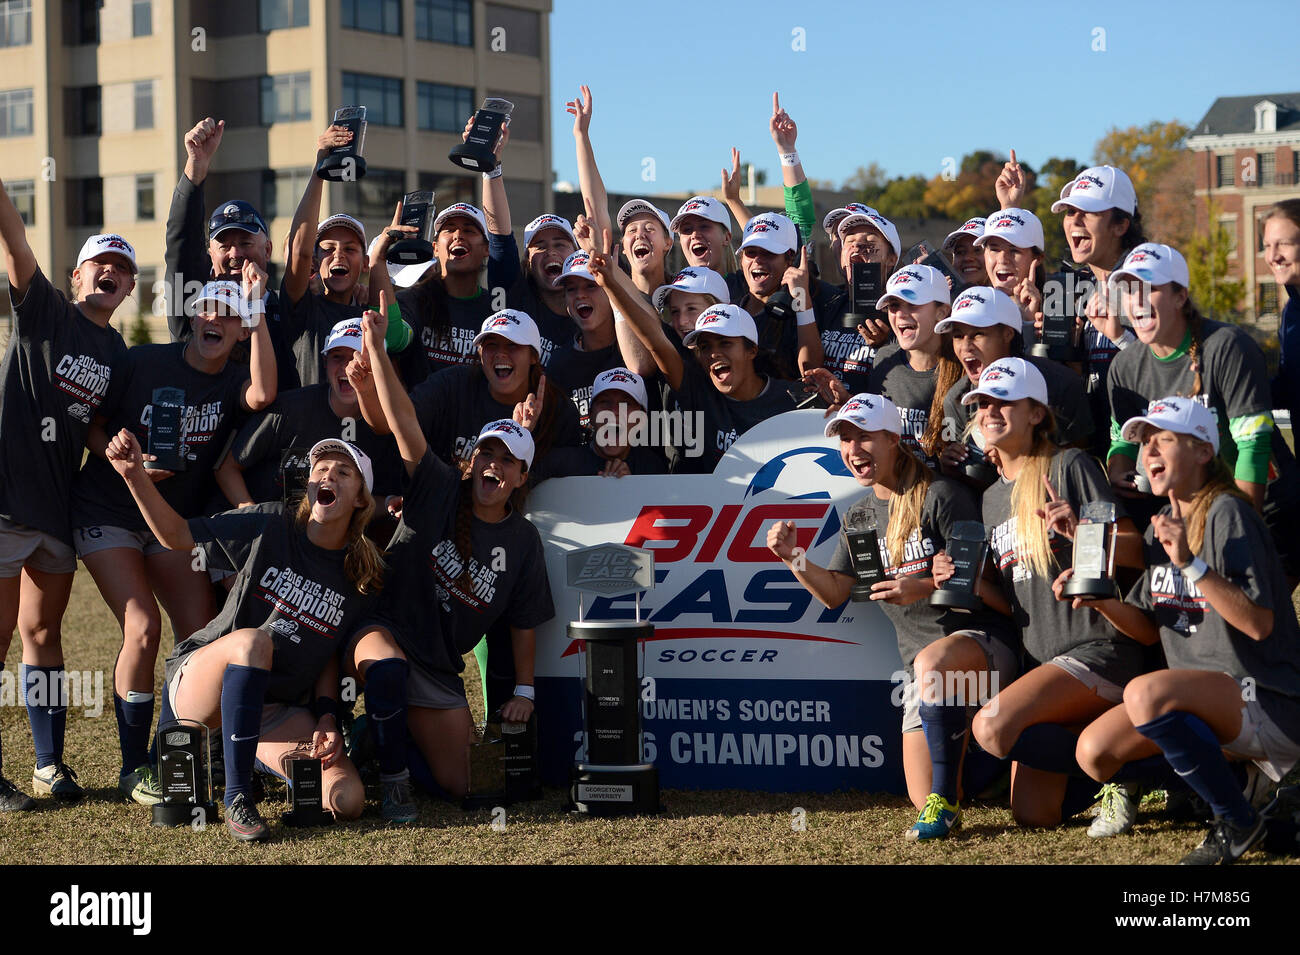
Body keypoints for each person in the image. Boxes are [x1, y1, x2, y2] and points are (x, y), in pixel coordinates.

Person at [105, 431, 383, 840]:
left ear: (360, 498)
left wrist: (327, 715)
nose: (328, 476)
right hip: (203, 684)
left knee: (348, 799)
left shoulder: (357, 574)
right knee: (255, 641)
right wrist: (133, 475)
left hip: (271, 709)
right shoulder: (271, 521)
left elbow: (327, 651)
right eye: (320, 468)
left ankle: (247, 758)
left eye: (343, 472)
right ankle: (237, 796)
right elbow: (178, 536)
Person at [769, 394, 1017, 840]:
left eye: (864, 436)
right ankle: (984, 774)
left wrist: (919, 587)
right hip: (920, 673)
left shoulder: (940, 495)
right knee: (921, 795)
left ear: (893, 439)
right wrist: (794, 557)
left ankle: (980, 763)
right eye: (845, 438)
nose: (853, 448)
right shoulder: (860, 515)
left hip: (981, 650)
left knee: (933, 671)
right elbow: (836, 593)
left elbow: (988, 591)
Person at [71, 272, 276, 804]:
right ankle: (134, 766)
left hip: (169, 521)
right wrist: (118, 460)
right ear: (191, 315)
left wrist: (255, 316)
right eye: (207, 308)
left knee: (202, 629)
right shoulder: (144, 362)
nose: (215, 319)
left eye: (229, 316)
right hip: (108, 508)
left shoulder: (234, 379)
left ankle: (192, 752)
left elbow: (265, 391)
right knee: (142, 626)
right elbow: (91, 423)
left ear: (240, 333)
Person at [1071, 396, 1300, 863]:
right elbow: (1148, 630)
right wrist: (1104, 602)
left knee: (1143, 694)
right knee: (1094, 752)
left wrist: (1192, 565)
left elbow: (1258, 624)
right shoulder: (1162, 528)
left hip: (1268, 698)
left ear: (1202, 452)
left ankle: (1235, 822)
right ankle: (1241, 786)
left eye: (1164, 440)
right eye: (1145, 442)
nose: (1149, 452)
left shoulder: (1228, 514)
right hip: (1212, 704)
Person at [345, 304, 553, 803]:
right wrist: (376, 352)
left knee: (458, 786)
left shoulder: (523, 541)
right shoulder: (439, 487)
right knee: (388, 669)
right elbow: (403, 424)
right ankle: (392, 779)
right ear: (472, 458)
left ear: (522, 478)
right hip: (383, 633)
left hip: (439, 665)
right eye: (487, 454)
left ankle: (373, 742)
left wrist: (524, 692)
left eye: (508, 461)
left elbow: (525, 623)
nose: (494, 465)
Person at [963, 358, 1148, 829]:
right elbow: (1016, 601)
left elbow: (1135, 553)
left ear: (1036, 414)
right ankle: (1102, 745)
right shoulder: (988, 499)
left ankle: (1128, 771)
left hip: (1101, 650)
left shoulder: (1069, 465)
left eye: (1005, 402)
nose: (990, 411)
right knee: (1034, 816)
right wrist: (962, 581)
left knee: (992, 726)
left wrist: (1084, 529)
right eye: (983, 402)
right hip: (1045, 664)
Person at [0, 183, 134, 809]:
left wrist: (119, 448)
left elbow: (100, 422)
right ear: (77, 275)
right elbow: (15, 241)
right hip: (7, 500)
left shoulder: (115, 349)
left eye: (123, 268)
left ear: (130, 289)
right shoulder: (46, 310)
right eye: (100, 263)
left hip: (57, 508)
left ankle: (48, 765)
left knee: (43, 631)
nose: (111, 272)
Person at [1104, 243, 1300, 579]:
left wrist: (1237, 532)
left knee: (1257, 624)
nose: (1136, 301)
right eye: (1128, 291)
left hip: (1266, 511)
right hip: (1191, 515)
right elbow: (1120, 440)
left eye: (1149, 289)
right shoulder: (1124, 366)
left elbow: (1254, 448)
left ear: (1180, 296)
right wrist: (1119, 472)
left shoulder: (1227, 346)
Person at [215, 317, 404, 527]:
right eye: (337, 357)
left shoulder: (387, 426)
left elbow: (362, 501)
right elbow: (227, 469)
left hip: (326, 542)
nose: (348, 367)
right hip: (268, 530)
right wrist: (253, 516)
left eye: (358, 357)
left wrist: (388, 503)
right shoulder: (291, 408)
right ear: (325, 362)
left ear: (379, 365)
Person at [164, 116, 299, 391]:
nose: (236, 253)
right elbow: (182, 244)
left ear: (268, 249)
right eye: (224, 246)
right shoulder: (195, 303)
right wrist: (196, 167)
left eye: (246, 243)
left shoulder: (288, 308)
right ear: (210, 254)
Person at [616, 300, 818, 472]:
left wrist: (840, 400)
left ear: (751, 351)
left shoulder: (794, 398)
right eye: (705, 347)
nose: (713, 354)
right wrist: (608, 282)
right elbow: (655, 341)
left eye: (725, 343)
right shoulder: (700, 393)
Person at [935, 286, 1092, 485]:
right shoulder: (956, 399)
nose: (965, 346)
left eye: (977, 334)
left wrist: (1016, 458)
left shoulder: (1058, 383)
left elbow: (1079, 466)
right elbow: (972, 480)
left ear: (1007, 334)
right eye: (957, 335)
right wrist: (952, 467)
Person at [1045, 164, 1147, 458]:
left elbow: (1170, 372)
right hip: (1089, 453)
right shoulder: (1066, 288)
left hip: (1144, 459)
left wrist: (1119, 337)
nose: (1074, 220)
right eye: (1069, 212)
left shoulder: (1150, 284)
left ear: (1120, 225)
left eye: (1087, 211)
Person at [865, 265, 960, 468]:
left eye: (912, 304)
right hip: (894, 495)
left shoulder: (963, 368)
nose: (900, 314)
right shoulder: (884, 359)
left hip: (942, 495)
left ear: (942, 312)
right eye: (894, 305)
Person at [533, 368, 668, 480]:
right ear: (591, 415)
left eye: (626, 404)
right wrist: (525, 431)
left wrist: (630, 488)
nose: (614, 411)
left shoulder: (652, 468)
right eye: (605, 402)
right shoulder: (559, 464)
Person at [1265, 199, 1300, 427]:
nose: (1273, 256)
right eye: (1267, 245)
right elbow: (1290, 388)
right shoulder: (1291, 314)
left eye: (1283, 244)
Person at [943, 217, 989, 288]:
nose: (968, 258)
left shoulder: (1009, 297)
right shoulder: (941, 296)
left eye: (977, 250)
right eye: (960, 252)